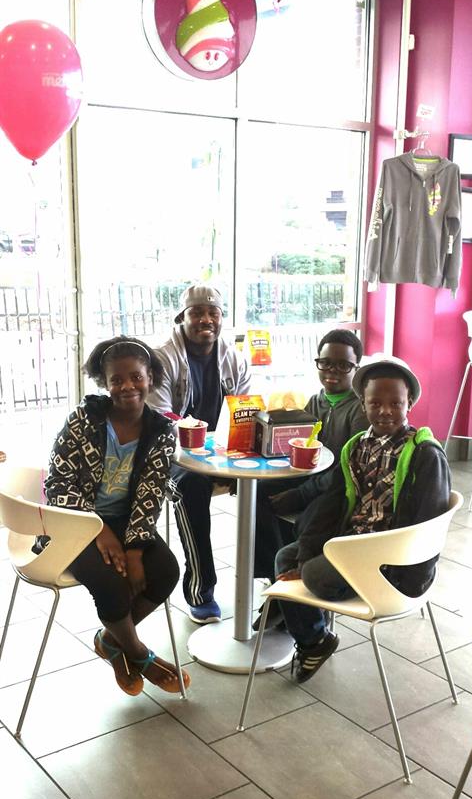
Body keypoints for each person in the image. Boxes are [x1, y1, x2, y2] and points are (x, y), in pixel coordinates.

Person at [273, 354, 451, 684]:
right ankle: (314, 641)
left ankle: (304, 616)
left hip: (392, 563)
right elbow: (331, 505)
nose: (385, 411)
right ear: (362, 403)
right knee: (286, 557)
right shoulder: (356, 447)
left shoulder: (424, 454)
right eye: (375, 403)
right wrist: (306, 553)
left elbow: (428, 526)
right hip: (352, 546)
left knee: (313, 575)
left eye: (395, 403)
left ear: (409, 403)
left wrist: (409, 577)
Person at [45, 336, 190, 697]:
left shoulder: (161, 432)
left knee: (166, 571)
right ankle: (138, 653)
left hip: (127, 521)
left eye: (136, 377)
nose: (127, 386)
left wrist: (135, 550)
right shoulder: (83, 420)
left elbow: (150, 494)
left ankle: (111, 640)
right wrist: (99, 529)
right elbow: (57, 483)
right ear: (105, 383)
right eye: (117, 380)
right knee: (111, 584)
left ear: (151, 378)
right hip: (72, 522)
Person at [148, 283, 251, 624]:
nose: (206, 319)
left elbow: (245, 410)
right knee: (191, 486)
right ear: (182, 317)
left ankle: (275, 579)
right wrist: (197, 439)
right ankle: (201, 589)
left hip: (224, 452)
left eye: (213, 313)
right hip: (173, 454)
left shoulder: (234, 358)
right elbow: (158, 416)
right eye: (197, 313)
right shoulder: (161, 358)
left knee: (271, 483)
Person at [252, 329, 368, 629]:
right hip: (311, 480)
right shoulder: (315, 402)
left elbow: (346, 472)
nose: (332, 371)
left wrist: (299, 494)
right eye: (325, 363)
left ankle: (293, 601)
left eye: (343, 365)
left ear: (356, 368)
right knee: (258, 494)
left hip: (340, 492)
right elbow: (298, 444)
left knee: (308, 517)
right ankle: (276, 582)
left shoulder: (359, 410)